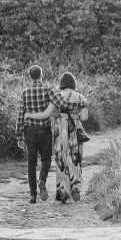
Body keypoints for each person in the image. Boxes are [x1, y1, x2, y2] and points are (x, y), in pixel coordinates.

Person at [24, 71, 90, 203]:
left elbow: (48, 114)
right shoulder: (81, 98)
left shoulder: (56, 96)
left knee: (61, 161)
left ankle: (63, 192)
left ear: (61, 84)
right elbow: (84, 117)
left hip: (59, 132)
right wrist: (76, 115)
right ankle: (75, 187)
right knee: (75, 159)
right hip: (74, 132)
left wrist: (31, 116)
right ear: (73, 84)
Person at [16, 65, 54, 204]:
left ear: (30, 76)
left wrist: (19, 135)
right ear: (41, 74)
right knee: (46, 159)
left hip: (29, 131)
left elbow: (20, 114)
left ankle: (33, 195)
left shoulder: (25, 92)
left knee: (31, 162)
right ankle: (42, 180)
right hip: (44, 130)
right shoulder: (48, 90)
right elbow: (60, 104)